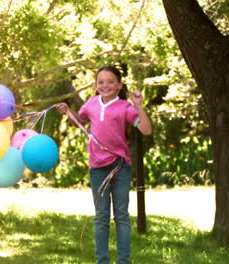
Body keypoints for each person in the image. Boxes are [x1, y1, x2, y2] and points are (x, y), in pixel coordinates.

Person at [55, 65, 152, 264]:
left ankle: (123, 260)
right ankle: (103, 261)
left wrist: (138, 105)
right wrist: (67, 111)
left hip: (120, 166)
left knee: (121, 216)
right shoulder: (91, 104)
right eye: (101, 82)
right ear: (95, 85)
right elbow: (79, 120)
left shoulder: (125, 107)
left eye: (110, 82)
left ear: (119, 85)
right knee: (101, 217)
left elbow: (146, 130)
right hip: (97, 168)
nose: (105, 85)